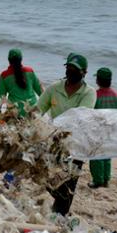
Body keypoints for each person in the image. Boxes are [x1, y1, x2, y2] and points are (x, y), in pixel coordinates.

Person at [37, 53, 96, 215]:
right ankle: (57, 207)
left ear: (84, 72)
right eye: (68, 68)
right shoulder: (54, 88)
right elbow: (38, 109)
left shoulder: (89, 93)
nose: (71, 71)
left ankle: (60, 215)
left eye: (75, 69)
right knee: (50, 178)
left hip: (77, 144)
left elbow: (80, 116)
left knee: (68, 184)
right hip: (55, 141)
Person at [89, 67, 117, 188]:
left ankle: (97, 180)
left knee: (96, 155)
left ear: (98, 80)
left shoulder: (95, 95)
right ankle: (106, 179)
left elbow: (92, 113)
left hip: (98, 129)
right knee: (107, 155)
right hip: (112, 128)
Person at [0, 49, 42, 117]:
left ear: (9, 60)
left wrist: (0, 114)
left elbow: (1, 98)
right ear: (21, 59)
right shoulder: (29, 71)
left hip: (16, 111)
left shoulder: (4, 75)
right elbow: (41, 92)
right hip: (32, 109)